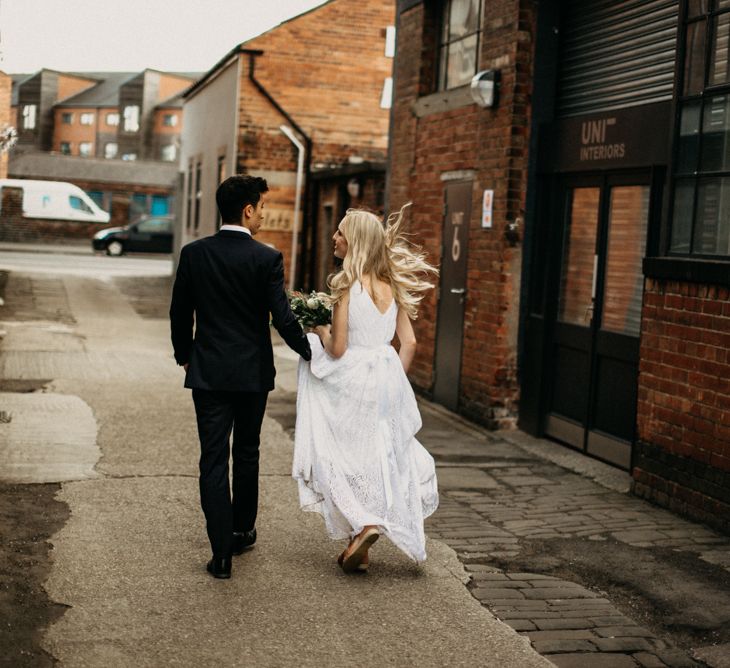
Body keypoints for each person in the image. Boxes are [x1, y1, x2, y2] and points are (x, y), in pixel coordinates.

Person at [170, 175, 311, 579]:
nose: (265, 214)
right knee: (247, 452)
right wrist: (311, 353)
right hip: (252, 374)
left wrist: (185, 355)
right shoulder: (266, 258)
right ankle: (242, 529)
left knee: (213, 458)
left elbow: (181, 312)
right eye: (263, 207)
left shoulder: (195, 254)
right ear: (248, 210)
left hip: (209, 372)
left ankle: (221, 554)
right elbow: (281, 317)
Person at [293, 204, 439, 573]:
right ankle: (361, 543)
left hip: (352, 377)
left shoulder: (346, 286)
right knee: (380, 454)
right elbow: (410, 343)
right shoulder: (393, 287)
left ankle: (366, 523)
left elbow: (338, 348)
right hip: (386, 380)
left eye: (341, 232)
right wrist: (394, 379)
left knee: (338, 453)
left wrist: (319, 331)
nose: (334, 237)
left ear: (354, 241)